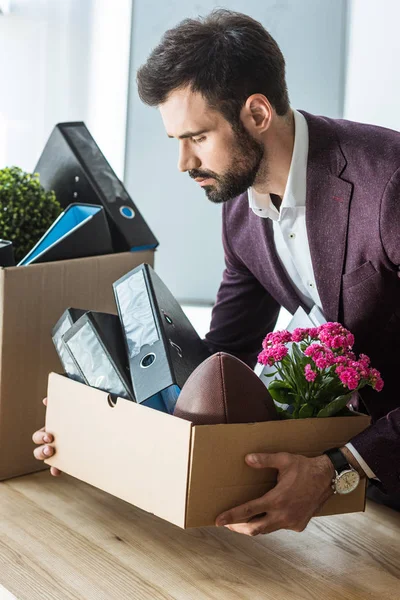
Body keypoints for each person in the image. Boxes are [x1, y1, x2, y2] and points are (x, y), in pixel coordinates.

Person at [33, 9, 400, 535]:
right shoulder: (239, 213)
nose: (184, 163)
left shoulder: (389, 183)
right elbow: (220, 362)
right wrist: (100, 428)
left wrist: (339, 467)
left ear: (256, 113)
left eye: (198, 138)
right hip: (361, 489)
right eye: (175, 141)